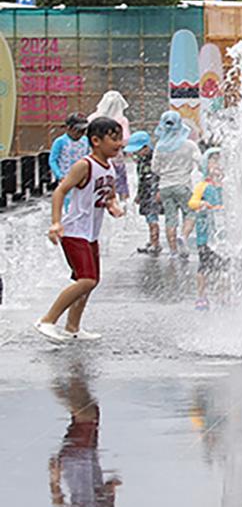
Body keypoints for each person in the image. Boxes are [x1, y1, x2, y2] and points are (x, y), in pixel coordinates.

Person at [35, 118, 125, 343]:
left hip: (91, 233)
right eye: (114, 138)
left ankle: (72, 327)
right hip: (75, 231)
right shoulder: (84, 165)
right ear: (95, 140)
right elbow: (60, 191)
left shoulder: (110, 167)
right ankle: (47, 320)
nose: (119, 143)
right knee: (86, 279)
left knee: (91, 281)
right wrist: (56, 223)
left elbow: (109, 195)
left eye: (120, 138)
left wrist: (113, 206)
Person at [49, 367, 122, 507]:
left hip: (75, 460)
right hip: (88, 455)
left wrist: (54, 479)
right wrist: (112, 485)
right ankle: (75, 372)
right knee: (91, 411)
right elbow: (104, 493)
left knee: (85, 415)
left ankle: (63, 381)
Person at [150, 110, 202, 258]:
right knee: (191, 212)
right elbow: (200, 162)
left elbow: (155, 168)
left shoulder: (160, 146)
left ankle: (173, 251)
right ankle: (184, 237)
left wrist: (167, 171)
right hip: (183, 185)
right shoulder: (189, 145)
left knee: (170, 218)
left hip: (165, 186)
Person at [189, 149, 225, 311]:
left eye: (219, 161)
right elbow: (192, 202)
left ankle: (223, 294)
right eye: (213, 161)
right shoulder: (202, 186)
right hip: (205, 234)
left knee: (225, 266)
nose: (217, 165)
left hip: (223, 235)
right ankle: (201, 296)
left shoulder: (227, 186)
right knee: (204, 266)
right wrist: (202, 204)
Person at [125, 130, 163, 255]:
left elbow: (159, 176)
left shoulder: (155, 159)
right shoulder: (141, 160)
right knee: (149, 218)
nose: (136, 153)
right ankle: (152, 241)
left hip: (153, 192)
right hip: (146, 193)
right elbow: (141, 179)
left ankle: (155, 243)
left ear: (147, 147)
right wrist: (139, 195)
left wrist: (158, 191)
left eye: (138, 150)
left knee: (153, 218)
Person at [88, 91, 131, 200]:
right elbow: (126, 140)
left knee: (97, 185)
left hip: (96, 157)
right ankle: (122, 209)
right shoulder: (121, 120)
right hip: (116, 157)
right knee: (120, 185)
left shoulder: (93, 118)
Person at [48, 113, 91, 186]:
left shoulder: (86, 141)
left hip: (82, 179)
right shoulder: (60, 141)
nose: (80, 134)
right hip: (66, 179)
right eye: (78, 130)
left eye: (83, 131)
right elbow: (53, 160)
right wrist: (59, 175)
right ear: (68, 128)